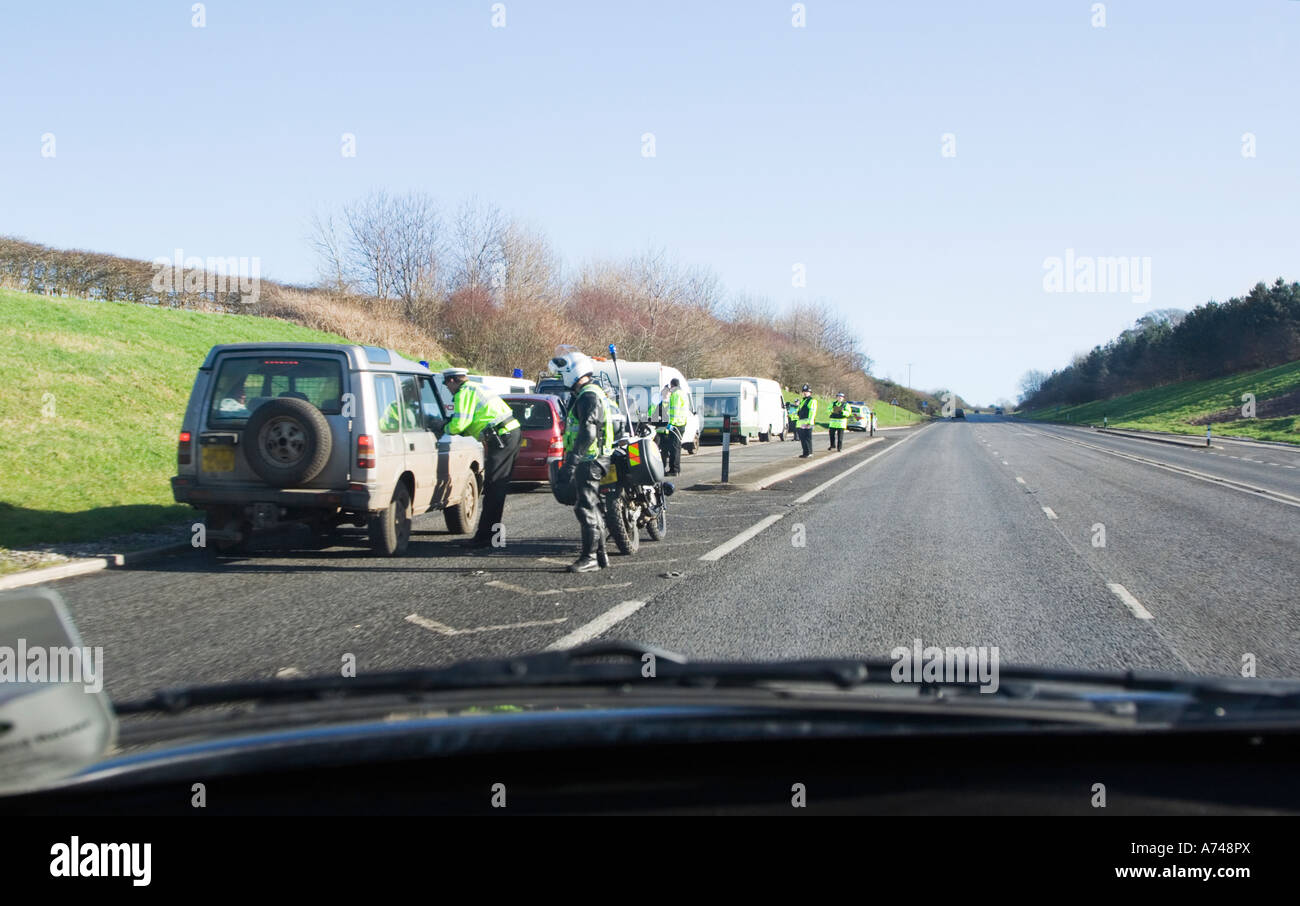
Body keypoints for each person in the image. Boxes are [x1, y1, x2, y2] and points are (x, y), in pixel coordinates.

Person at [441, 368, 522, 550]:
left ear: (453, 380)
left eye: (447, 384)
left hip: (502, 437)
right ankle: (491, 537)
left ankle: (486, 538)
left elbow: (459, 424)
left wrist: (442, 428)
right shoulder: (475, 387)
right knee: (496, 489)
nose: (447, 388)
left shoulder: (463, 393)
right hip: (508, 434)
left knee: (494, 489)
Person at [553, 349, 614, 572]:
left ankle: (589, 558)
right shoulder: (591, 393)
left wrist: (571, 463)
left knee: (585, 507)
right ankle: (600, 554)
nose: (561, 379)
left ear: (573, 371)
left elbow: (588, 433)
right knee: (592, 505)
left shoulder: (588, 396)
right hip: (595, 458)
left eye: (562, 374)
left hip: (590, 459)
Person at [659, 378, 688, 476]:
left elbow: (674, 412)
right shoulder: (682, 393)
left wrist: (670, 424)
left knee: (674, 448)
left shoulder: (675, 395)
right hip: (681, 423)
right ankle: (675, 469)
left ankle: (674, 470)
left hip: (676, 424)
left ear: (672, 385)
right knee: (676, 447)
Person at [795, 385, 817, 457]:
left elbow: (812, 412)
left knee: (807, 438)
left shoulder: (812, 401)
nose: (805, 393)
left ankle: (809, 453)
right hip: (801, 422)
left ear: (810, 393)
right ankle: (805, 453)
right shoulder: (803, 400)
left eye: (807, 392)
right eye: (804, 392)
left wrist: (809, 423)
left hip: (807, 422)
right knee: (803, 438)